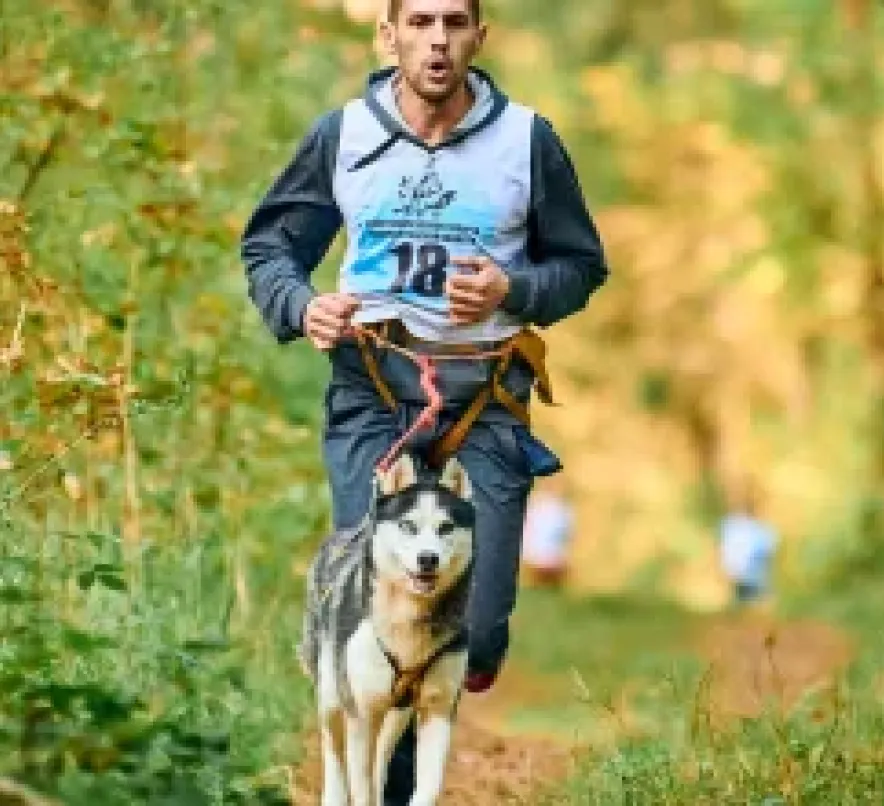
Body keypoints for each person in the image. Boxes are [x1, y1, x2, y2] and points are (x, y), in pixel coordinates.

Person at [240, 0, 607, 800]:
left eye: (453, 22)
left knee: (475, 629)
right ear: (389, 33)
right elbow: (270, 245)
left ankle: (471, 652)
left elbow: (581, 266)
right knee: (386, 600)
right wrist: (302, 305)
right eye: (419, 22)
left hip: (484, 394)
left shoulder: (528, 141)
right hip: (372, 388)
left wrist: (516, 286)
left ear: (480, 35)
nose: (436, 40)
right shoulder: (344, 134)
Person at [718, 480, 778, 606]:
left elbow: (768, 551)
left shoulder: (734, 524)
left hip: (750, 577)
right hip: (746, 578)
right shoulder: (733, 524)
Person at [521, 476, 574, 589]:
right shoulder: (537, 505)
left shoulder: (564, 509)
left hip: (554, 558)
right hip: (536, 558)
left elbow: (566, 537)